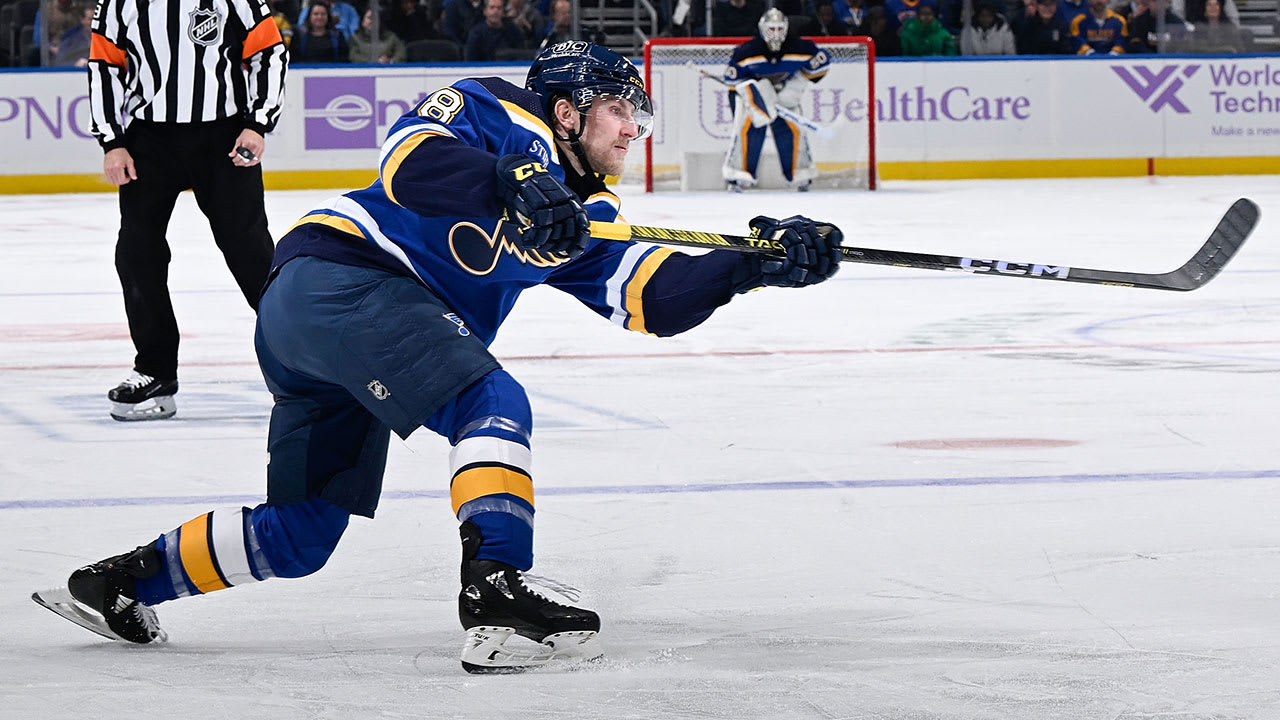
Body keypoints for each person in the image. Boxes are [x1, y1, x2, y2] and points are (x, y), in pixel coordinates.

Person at [31, 41, 844, 674]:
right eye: (620, 109)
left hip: (323, 328)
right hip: (343, 276)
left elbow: (651, 298)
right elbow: (407, 156)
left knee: (302, 534)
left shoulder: (585, 215)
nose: (635, 128)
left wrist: (751, 267)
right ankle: (497, 590)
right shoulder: (499, 110)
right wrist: (509, 178)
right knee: (492, 403)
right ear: (567, 109)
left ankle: (120, 583)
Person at [87, 0, 287, 421]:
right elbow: (104, 67)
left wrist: (258, 122)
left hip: (224, 137)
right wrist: (112, 141)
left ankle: (304, 364)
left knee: (250, 251)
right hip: (149, 140)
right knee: (137, 252)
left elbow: (269, 53)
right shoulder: (120, 3)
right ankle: (155, 370)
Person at [722, 9, 829, 192]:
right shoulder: (747, 52)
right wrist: (757, 96)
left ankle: (799, 175)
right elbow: (733, 83)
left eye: (780, 29)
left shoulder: (801, 48)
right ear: (763, 29)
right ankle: (739, 175)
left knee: (792, 128)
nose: (776, 34)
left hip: (784, 95)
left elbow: (819, 68)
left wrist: (792, 88)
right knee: (749, 124)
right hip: (756, 99)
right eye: (771, 29)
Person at [1124, 0, 1191, 52]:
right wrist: (1152, 57)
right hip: (1147, 58)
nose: (1157, 4)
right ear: (1149, 3)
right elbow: (1136, 44)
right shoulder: (1140, 21)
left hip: (1170, 59)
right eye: (1154, 1)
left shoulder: (1176, 22)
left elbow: (1181, 46)